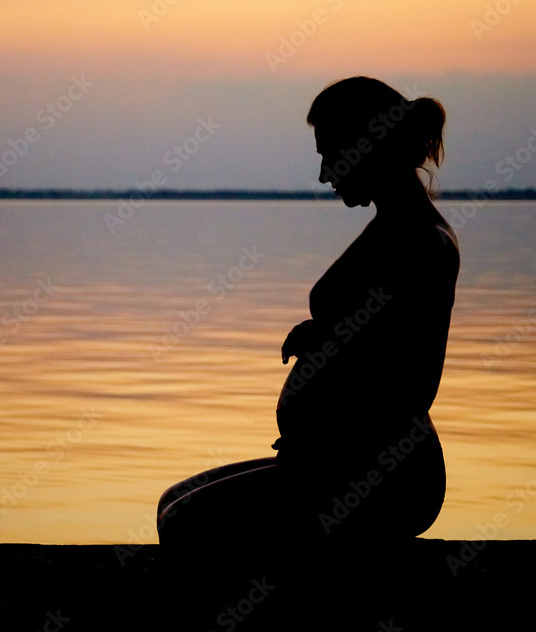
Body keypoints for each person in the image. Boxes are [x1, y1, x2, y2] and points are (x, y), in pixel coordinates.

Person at [156, 76, 460, 549]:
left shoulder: (422, 242)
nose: (323, 175)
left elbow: (414, 386)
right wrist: (329, 340)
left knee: (184, 522)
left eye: (330, 154)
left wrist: (330, 355)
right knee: (174, 501)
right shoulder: (391, 227)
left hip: (382, 477)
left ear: (367, 145)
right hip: (330, 464)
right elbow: (373, 338)